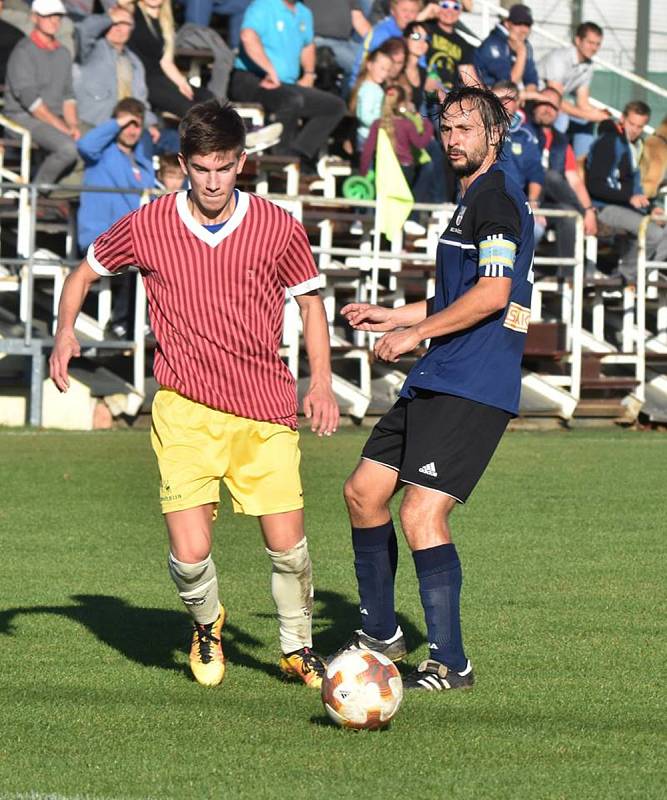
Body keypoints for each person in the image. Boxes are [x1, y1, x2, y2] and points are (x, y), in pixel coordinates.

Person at [49, 99, 339, 689]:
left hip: (265, 408)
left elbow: (310, 303)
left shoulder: (277, 226)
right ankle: (207, 625)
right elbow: (82, 273)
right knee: (188, 556)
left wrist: (323, 383)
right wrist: (63, 335)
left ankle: (296, 647)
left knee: (288, 549)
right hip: (184, 410)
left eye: (224, 167)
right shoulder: (151, 224)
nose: (212, 181)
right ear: (182, 164)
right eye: (201, 168)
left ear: (242, 165)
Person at [333, 84, 534, 691]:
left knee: (422, 511)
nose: (452, 140)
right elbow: (456, 296)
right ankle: (381, 633)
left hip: (474, 382)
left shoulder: (495, 199)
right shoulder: (468, 200)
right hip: (441, 371)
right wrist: (393, 316)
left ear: (493, 135)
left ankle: (451, 660)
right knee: (364, 492)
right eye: (446, 130)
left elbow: (494, 296)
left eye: (465, 129)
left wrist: (415, 332)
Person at [229, 0, 347, 171]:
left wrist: (309, 73)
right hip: (252, 78)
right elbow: (248, 36)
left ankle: (298, 155)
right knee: (291, 100)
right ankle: (280, 160)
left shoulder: (304, 12)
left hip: (284, 84)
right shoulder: (263, 6)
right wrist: (269, 68)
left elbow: (307, 44)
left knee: (334, 106)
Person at [76, 97, 155, 339]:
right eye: (126, 124)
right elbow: (85, 145)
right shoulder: (100, 154)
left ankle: (150, 324)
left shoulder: (143, 162)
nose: (131, 130)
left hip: (133, 239)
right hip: (100, 237)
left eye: (136, 124)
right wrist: (116, 122)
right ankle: (123, 323)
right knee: (140, 258)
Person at [586, 101, 667, 283]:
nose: (635, 130)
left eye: (640, 126)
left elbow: (633, 186)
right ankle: (624, 277)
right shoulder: (608, 141)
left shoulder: (635, 145)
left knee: (663, 230)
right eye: (632, 124)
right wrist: (629, 198)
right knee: (653, 233)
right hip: (604, 208)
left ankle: (635, 274)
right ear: (622, 119)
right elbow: (595, 185)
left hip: (626, 207)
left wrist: (651, 207)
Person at [3, 0, 80, 192]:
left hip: (51, 118)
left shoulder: (63, 53)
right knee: (68, 148)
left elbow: (68, 96)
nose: (54, 21)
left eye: (57, 16)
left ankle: (63, 194)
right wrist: (63, 127)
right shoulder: (23, 52)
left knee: (95, 141)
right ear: (34, 17)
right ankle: (35, 193)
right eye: (47, 15)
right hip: (23, 118)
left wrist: (73, 126)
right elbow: (32, 103)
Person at [526, 87, 598, 267]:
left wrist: (589, 210)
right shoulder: (521, 131)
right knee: (548, 175)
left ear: (559, 112)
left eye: (554, 106)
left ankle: (566, 277)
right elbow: (504, 97)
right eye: (543, 103)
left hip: (548, 201)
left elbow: (574, 180)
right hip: (522, 198)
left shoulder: (562, 142)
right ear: (534, 106)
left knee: (568, 214)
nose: (548, 109)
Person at [74, 6, 160, 137]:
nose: (119, 28)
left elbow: (140, 101)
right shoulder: (91, 50)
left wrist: (150, 124)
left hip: (128, 127)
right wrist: (109, 17)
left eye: (125, 23)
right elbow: (84, 30)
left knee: (166, 139)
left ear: (132, 28)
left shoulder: (135, 62)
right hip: (94, 124)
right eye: (115, 23)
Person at [539, 21, 610, 172]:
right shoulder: (558, 58)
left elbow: (582, 102)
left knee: (587, 120)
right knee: (562, 118)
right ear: (578, 40)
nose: (594, 48)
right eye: (590, 42)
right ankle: (552, 166)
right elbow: (555, 100)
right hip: (536, 103)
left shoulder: (588, 65)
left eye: (598, 44)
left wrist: (600, 115)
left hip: (553, 104)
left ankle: (579, 167)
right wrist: (590, 115)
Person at [493, 80, 545, 242]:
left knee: (536, 227)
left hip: (516, 202)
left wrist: (533, 203)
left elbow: (535, 171)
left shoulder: (527, 135)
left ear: (519, 103)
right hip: (483, 200)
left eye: (509, 99)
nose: (503, 104)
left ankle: (518, 267)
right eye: (498, 99)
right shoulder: (478, 128)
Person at [359, 83, 433, 180]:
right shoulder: (407, 124)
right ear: (402, 104)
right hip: (405, 169)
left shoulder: (377, 124)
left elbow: (367, 151)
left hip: (383, 170)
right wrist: (428, 126)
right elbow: (419, 144)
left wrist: (363, 173)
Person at [303, 0, 371, 89]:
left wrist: (378, 42)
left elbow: (358, 19)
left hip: (346, 42)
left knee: (372, 62)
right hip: (317, 39)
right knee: (359, 65)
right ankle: (345, 100)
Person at [474, 3, 538, 93]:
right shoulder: (493, 44)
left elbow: (531, 81)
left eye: (527, 25)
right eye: (518, 23)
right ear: (507, 24)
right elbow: (508, 84)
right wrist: (521, 53)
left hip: (506, 97)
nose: (523, 29)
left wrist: (529, 95)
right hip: (480, 96)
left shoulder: (525, 44)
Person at [422, 0, 480, 94]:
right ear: (437, 8)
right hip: (423, 93)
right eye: (445, 6)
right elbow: (407, 34)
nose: (450, 11)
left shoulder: (462, 43)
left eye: (455, 7)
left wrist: (488, 99)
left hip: (446, 98)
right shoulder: (425, 28)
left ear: (460, 11)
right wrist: (428, 10)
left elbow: (469, 78)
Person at [349, 46, 393, 150]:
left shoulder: (375, 87)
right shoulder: (369, 89)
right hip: (367, 136)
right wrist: (383, 122)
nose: (385, 73)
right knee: (368, 165)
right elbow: (365, 116)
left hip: (373, 134)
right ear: (369, 65)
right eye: (382, 68)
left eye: (387, 70)